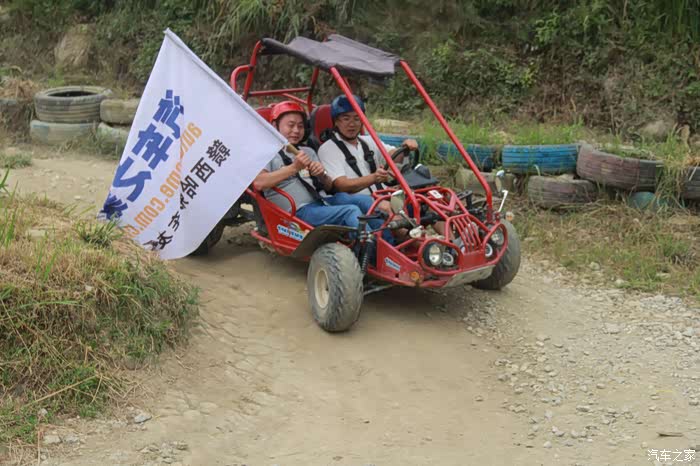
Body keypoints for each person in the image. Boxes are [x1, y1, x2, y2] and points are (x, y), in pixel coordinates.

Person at [253, 101, 386, 236]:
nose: (296, 131)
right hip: (297, 211)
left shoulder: (308, 151)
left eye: (300, 126)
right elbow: (259, 183)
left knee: (365, 201)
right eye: (291, 125)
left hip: (322, 200)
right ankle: (369, 247)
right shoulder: (266, 153)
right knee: (350, 211)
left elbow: (328, 186)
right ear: (275, 126)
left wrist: (321, 175)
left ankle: (387, 243)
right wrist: (294, 168)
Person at [317, 94, 419, 198]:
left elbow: (394, 156)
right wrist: (374, 178)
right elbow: (341, 185)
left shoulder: (369, 141)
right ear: (336, 122)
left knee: (419, 196)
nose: (352, 124)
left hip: (383, 196)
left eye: (357, 119)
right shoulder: (328, 149)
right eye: (346, 119)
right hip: (356, 201)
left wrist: (406, 147)